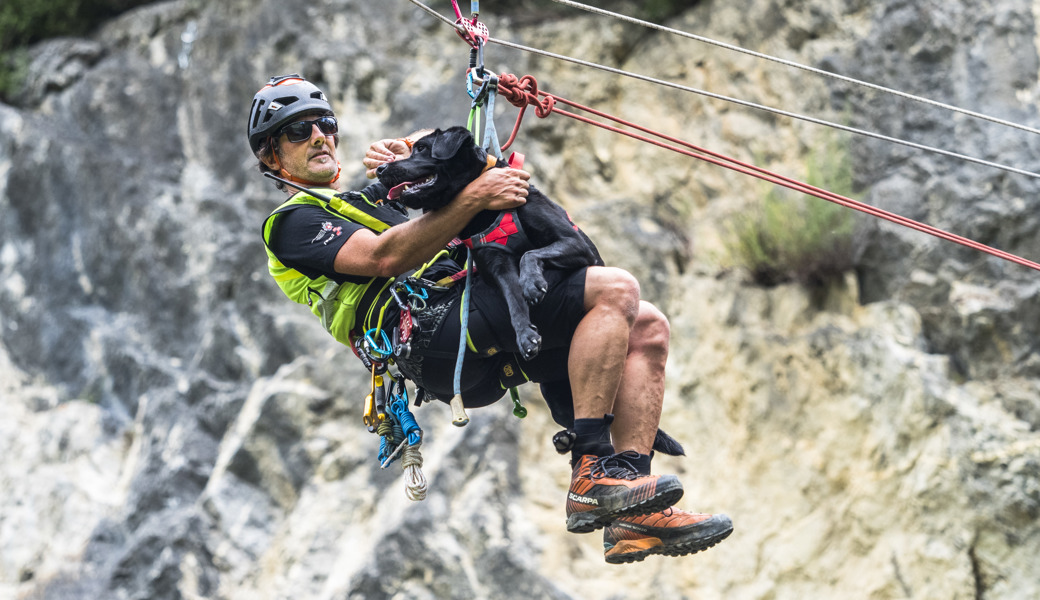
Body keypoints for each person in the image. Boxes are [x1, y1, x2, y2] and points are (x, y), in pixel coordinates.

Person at [249, 74, 732, 563]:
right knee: (616, 289)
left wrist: (409, 146)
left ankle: (633, 507)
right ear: (271, 157)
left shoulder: (363, 201)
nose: (319, 137)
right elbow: (383, 258)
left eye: (326, 125)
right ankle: (591, 472)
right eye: (299, 131)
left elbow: (448, 147)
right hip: (429, 332)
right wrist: (477, 196)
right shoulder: (292, 223)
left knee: (646, 326)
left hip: (468, 314)